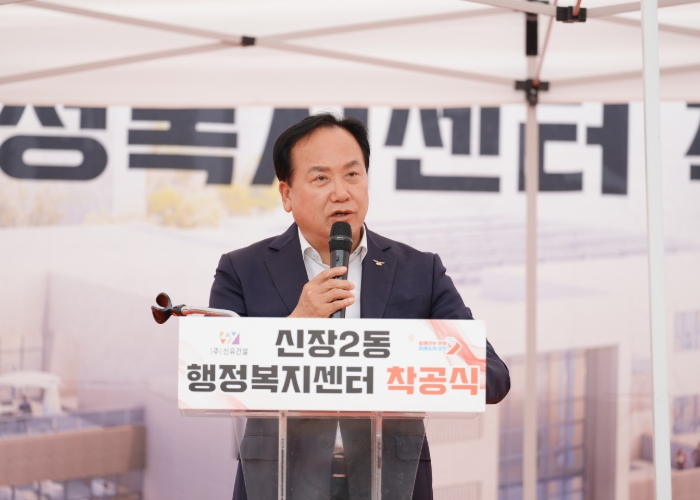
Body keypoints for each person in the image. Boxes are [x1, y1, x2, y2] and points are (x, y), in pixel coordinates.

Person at [210, 113, 511, 500]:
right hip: (279, 483)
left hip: (391, 484)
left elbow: (492, 376)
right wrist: (296, 325)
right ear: (286, 194)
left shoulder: (419, 270)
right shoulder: (242, 270)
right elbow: (216, 375)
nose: (341, 193)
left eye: (352, 175)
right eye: (321, 178)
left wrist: (405, 356)